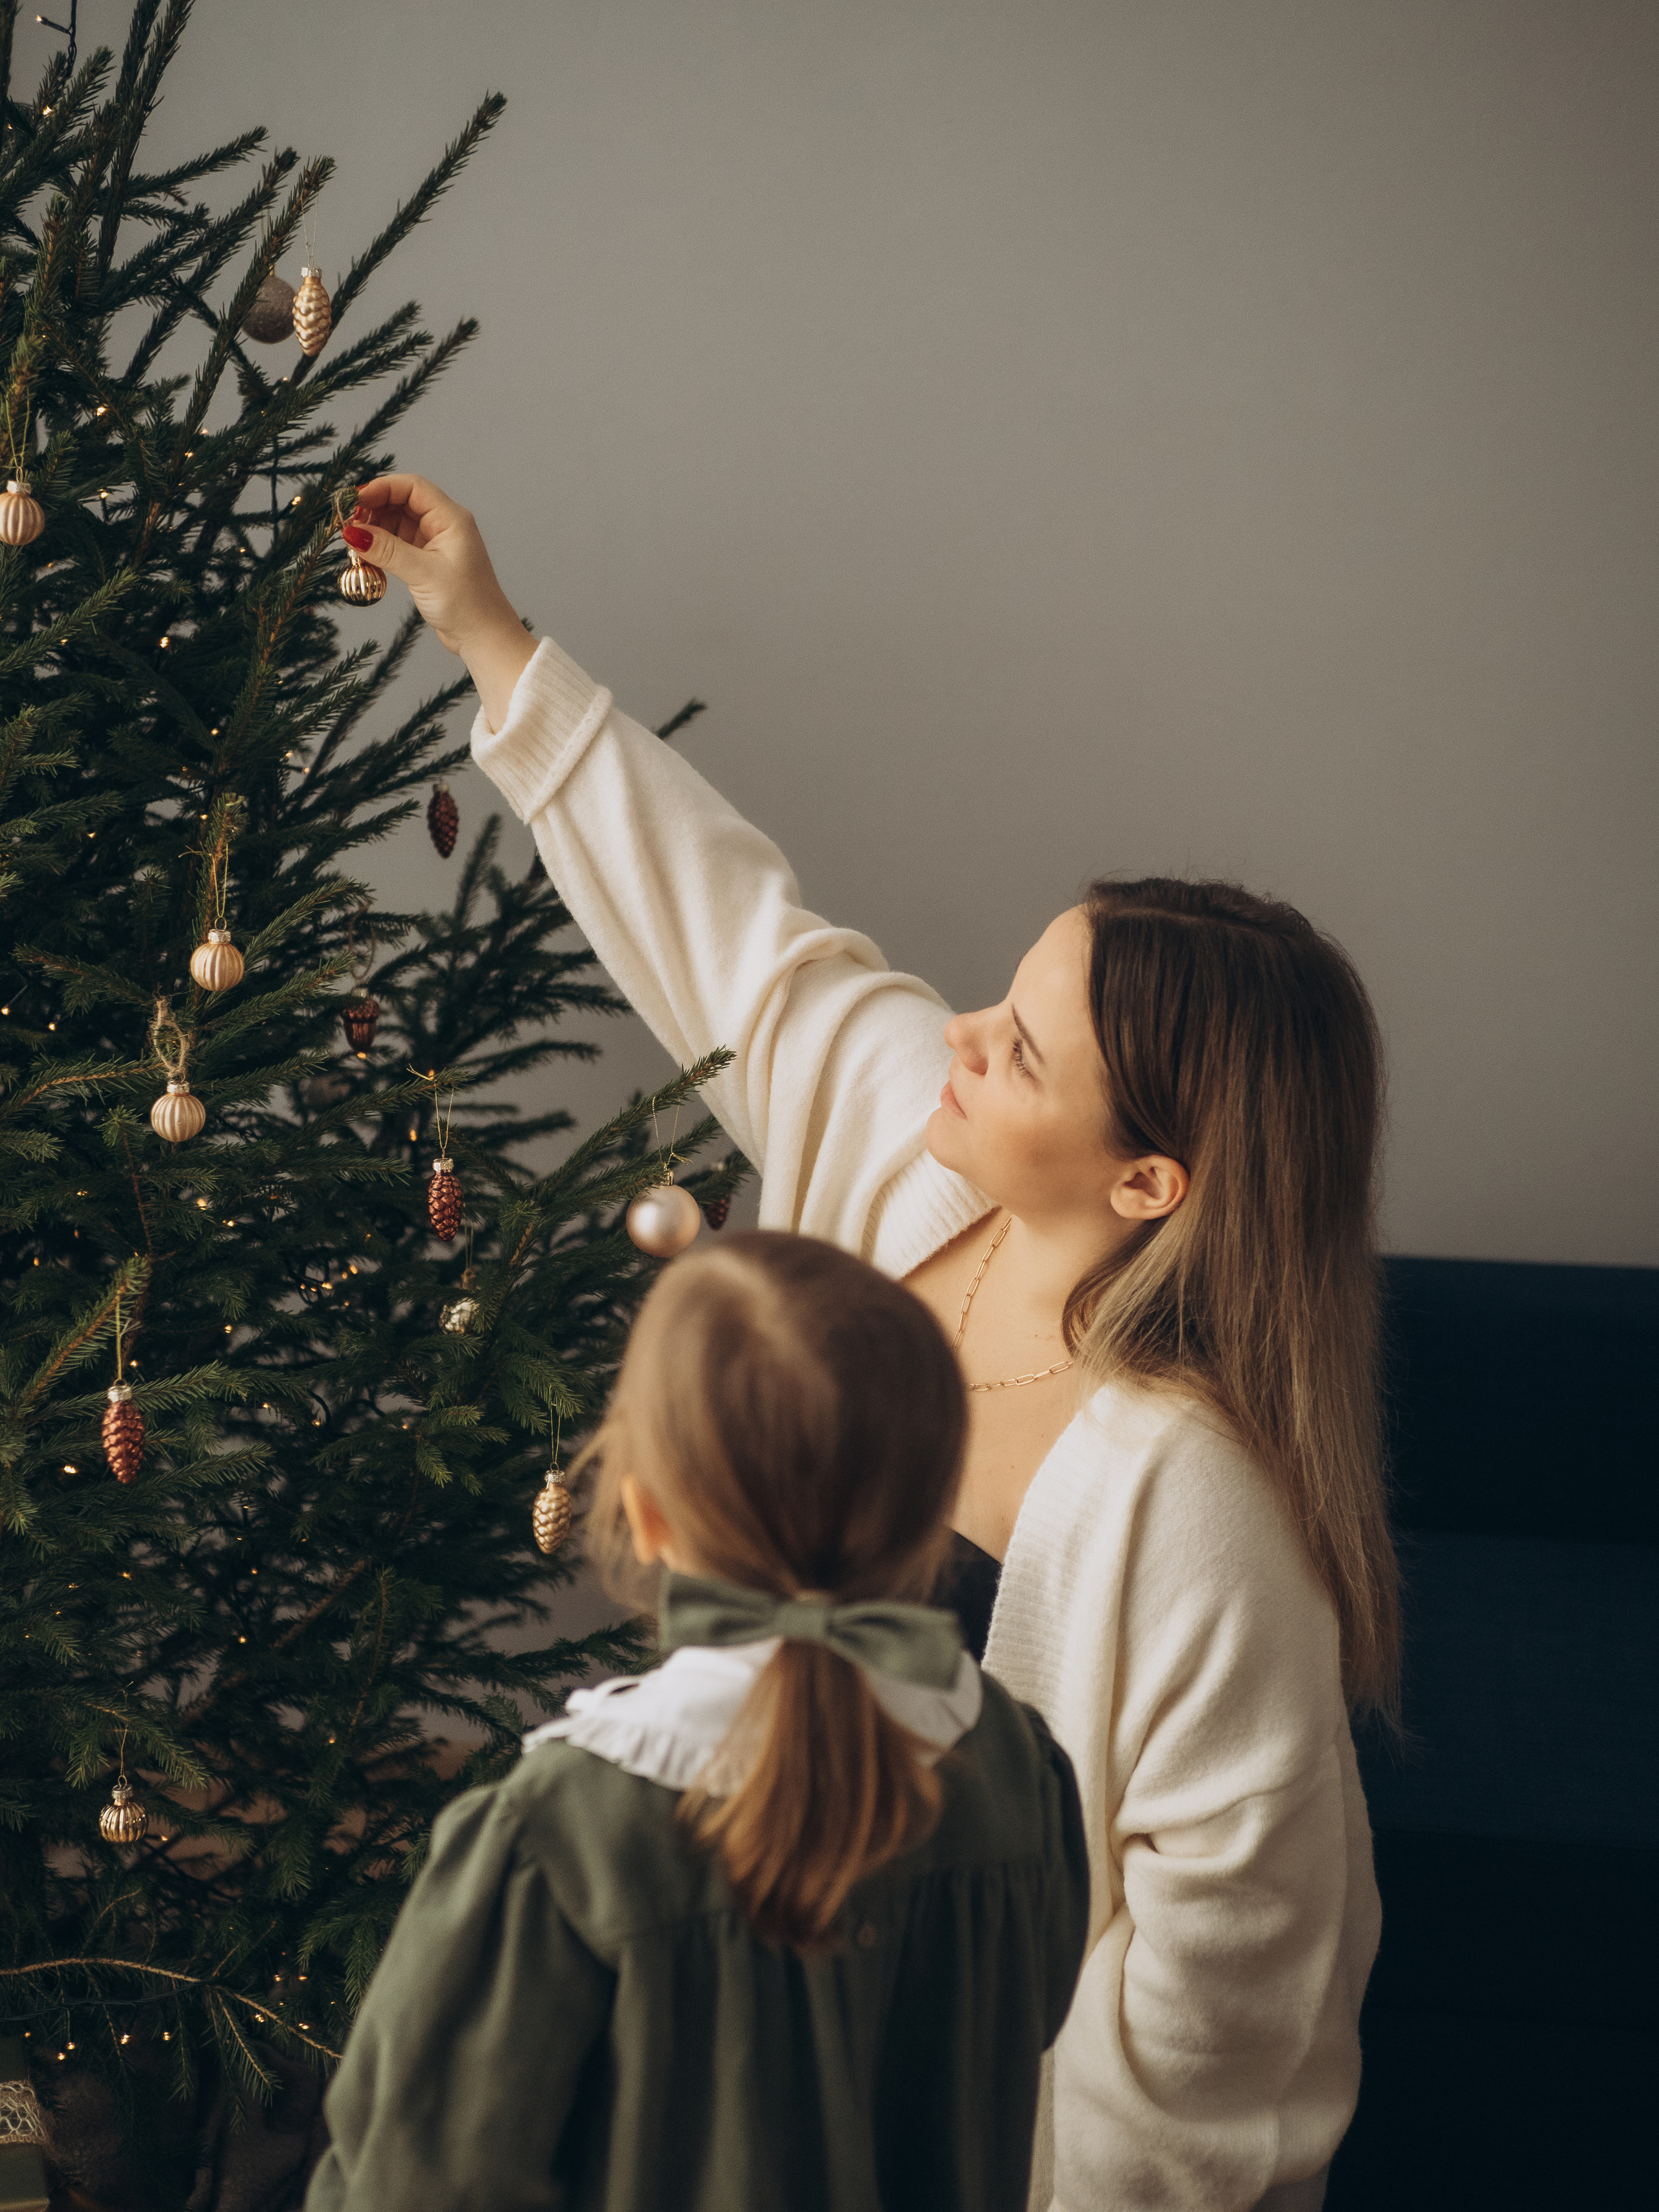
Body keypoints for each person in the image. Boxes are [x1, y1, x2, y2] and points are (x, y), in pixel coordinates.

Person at [342, 474, 1400, 2212]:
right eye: (1003, 993)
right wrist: (487, 630)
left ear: (1149, 1178)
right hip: (736, 2070)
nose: (963, 1034)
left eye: (1023, 1051)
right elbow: (746, 950)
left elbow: (1225, 1997)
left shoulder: (1200, 1507)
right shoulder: (922, 1178)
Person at [307, 1233, 1089, 2212]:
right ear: (931, 1504)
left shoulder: (557, 1834)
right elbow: (1032, 2016)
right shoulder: (1017, 1768)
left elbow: (417, 2182)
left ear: (647, 1511)